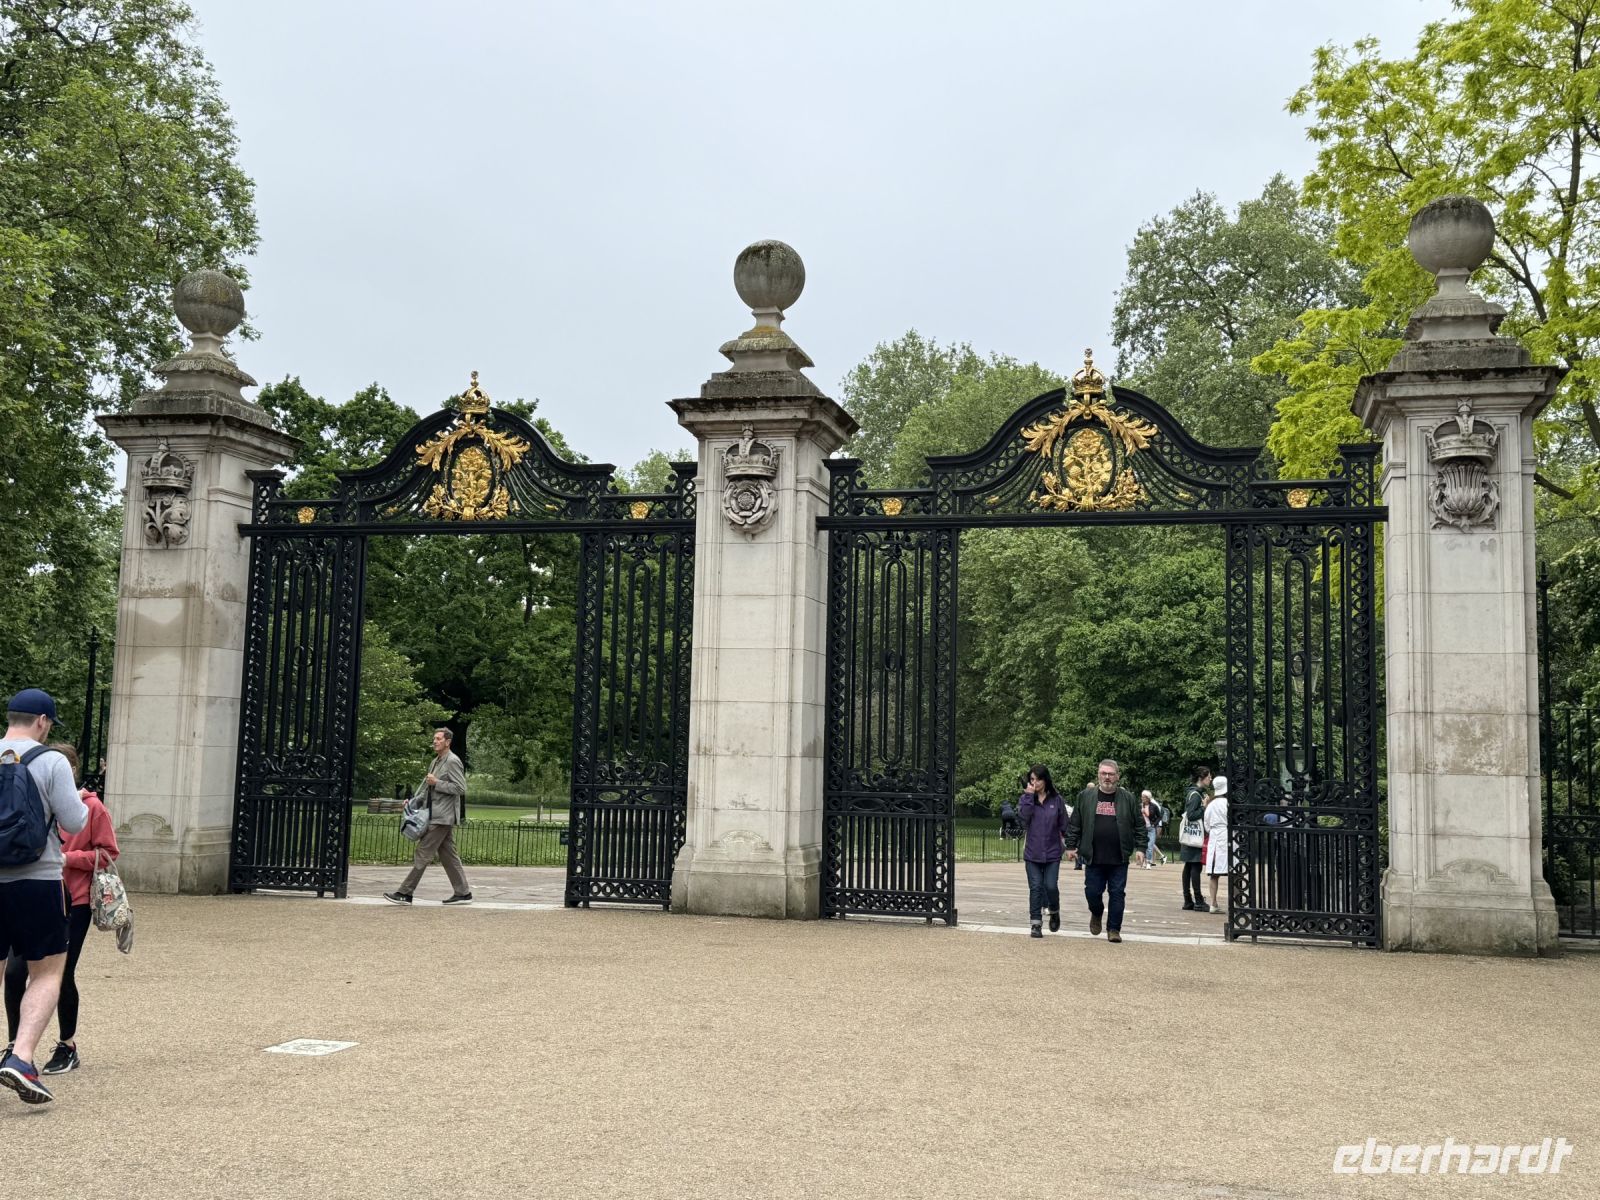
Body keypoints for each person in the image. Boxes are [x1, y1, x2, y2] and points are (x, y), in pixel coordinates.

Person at [4, 744, 116, 1077]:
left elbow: (108, 853)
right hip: (37, 895)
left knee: (61, 974)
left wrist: (69, 859)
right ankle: (16, 1047)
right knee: (14, 974)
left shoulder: (92, 807)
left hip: (74, 900)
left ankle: (67, 1044)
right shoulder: (29, 800)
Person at [0, 689, 88, 1104]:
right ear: (42, 721)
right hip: (37, 877)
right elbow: (74, 821)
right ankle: (21, 1058)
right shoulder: (51, 761)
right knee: (47, 971)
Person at [384, 728, 471, 905]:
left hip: (442, 816)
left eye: (438, 739)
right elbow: (427, 791)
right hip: (434, 814)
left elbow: (460, 788)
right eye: (434, 739)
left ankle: (405, 893)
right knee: (449, 856)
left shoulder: (453, 761)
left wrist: (437, 782)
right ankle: (463, 893)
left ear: (448, 742)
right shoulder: (435, 761)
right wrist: (412, 802)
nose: (435, 741)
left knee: (423, 853)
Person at [1065, 759, 1145, 943]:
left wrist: (1141, 848)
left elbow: (1139, 825)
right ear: (1098, 774)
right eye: (1104, 773)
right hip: (1094, 856)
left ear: (1117, 776)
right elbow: (1076, 822)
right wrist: (1070, 845)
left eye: (1111, 774)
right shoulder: (1085, 796)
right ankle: (1097, 912)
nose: (1107, 777)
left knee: (1117, 893)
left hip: (1119, 856)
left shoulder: (1128, 798)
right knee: (1092, 892)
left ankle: (1114, 929)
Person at [1017, 764, 1068, 938]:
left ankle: (1054, 911)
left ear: (1045, 780)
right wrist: (1028, 797)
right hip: (1033, 852)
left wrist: (1071, 846)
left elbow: (1064, 824)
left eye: (1038, 779)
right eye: (1032, 779)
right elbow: (1023, 818)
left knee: (1050, 886)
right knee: (1036, 887)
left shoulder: (1056, 800)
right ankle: (1036, 924)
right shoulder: (1026, 798)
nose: (1035, 783)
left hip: (1052, 852)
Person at [1179, 766, 1211, 912]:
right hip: (1194, 837)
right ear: (1201, 778)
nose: (1210, 779)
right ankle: (1198, 901)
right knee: (1195, 866)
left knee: (1188, 866)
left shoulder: (1193, 792)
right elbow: (1191, 815)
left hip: (1189, 836)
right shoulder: (1196, 795)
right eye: (1208, 776)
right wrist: (1204, 807)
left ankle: (1188, 900)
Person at [1203, 774, 1230, 912]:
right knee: (1234, 870)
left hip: (1214, 837)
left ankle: (1213, 903)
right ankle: (1236, 903)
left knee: (1214, 874)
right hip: (1227, 836)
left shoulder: (1210, 805)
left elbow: (1206, 825)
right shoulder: (1228, 804)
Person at [1139, 790, 1165, 868]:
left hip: (1151, 828)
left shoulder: (1154, 806)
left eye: (1144, 797)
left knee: (1150, 846)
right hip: (1143, 828)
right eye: (1142, 797)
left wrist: (1155, 824)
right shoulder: (1140, 806)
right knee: (1144, 845)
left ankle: (1148, 863)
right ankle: (1144, 862)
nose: (1142, 798)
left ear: (1148, 798)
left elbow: (1160, 816)